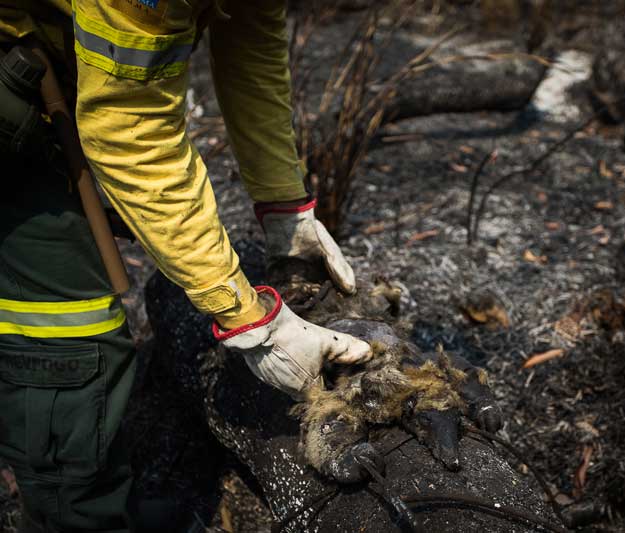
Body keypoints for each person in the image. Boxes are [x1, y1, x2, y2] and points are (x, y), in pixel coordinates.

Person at [0, 1, 371, 531]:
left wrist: (284, 203)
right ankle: (76, 520)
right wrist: (248, 318)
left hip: (42, 71)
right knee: (70, 325)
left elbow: (251, 47)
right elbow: (131, 130)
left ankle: (89, 501)